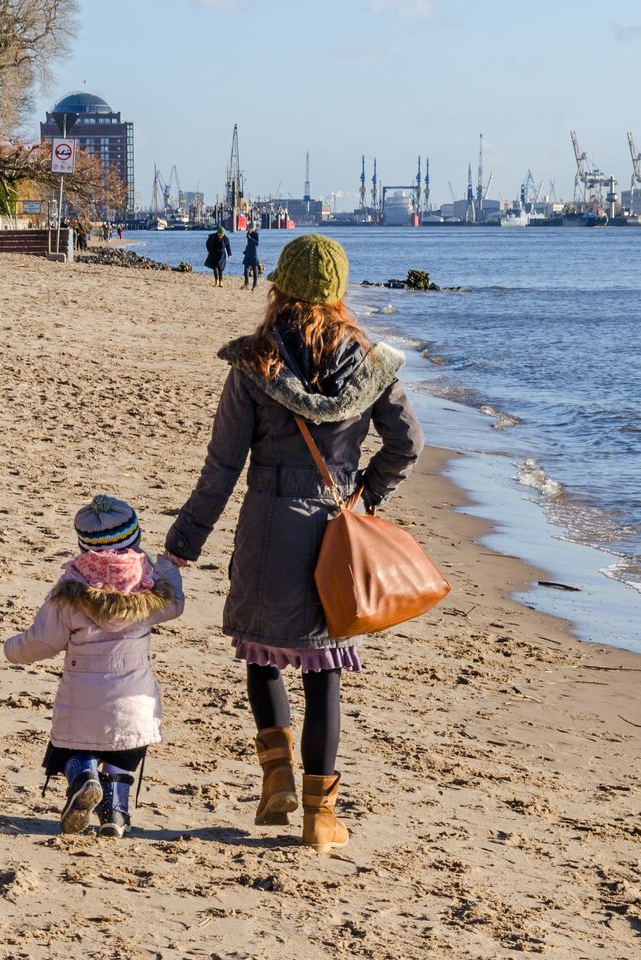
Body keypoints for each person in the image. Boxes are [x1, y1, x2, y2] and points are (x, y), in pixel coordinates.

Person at [163, 234, 424, 853]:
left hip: (267, 524)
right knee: (325, 672)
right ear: (338, 292)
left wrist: (180, 548)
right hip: (334, 527)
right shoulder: (370, 362)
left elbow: (221, 467)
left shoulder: (255, 363)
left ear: (279, 285)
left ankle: (276, 776)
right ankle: (319, 817)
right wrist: (366, 497)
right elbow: (407, 445)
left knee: (261, 654)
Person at [5, 495, 185, 838]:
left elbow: (43, 641)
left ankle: (84, 774)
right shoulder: (149, 589)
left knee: (73, 745)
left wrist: (12, 649)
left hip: (82, 697)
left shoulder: (70, 591)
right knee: (127, 748)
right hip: (134, 699)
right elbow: (174, 604)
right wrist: (168, 567)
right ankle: (115, 812)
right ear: (134, 538)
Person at [242, 226, 261, 290]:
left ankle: (254, 285)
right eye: (247, 229)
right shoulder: (248, 234)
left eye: (249, 229)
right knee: (246, 270)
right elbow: (248, 244)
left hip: (253, 254)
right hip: (248, 254)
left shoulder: (256, 234)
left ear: (252, 229)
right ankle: (246, 284)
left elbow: (257, 243)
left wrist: (250, 238)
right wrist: (245, 250)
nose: (248, 230)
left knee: (255, 269)